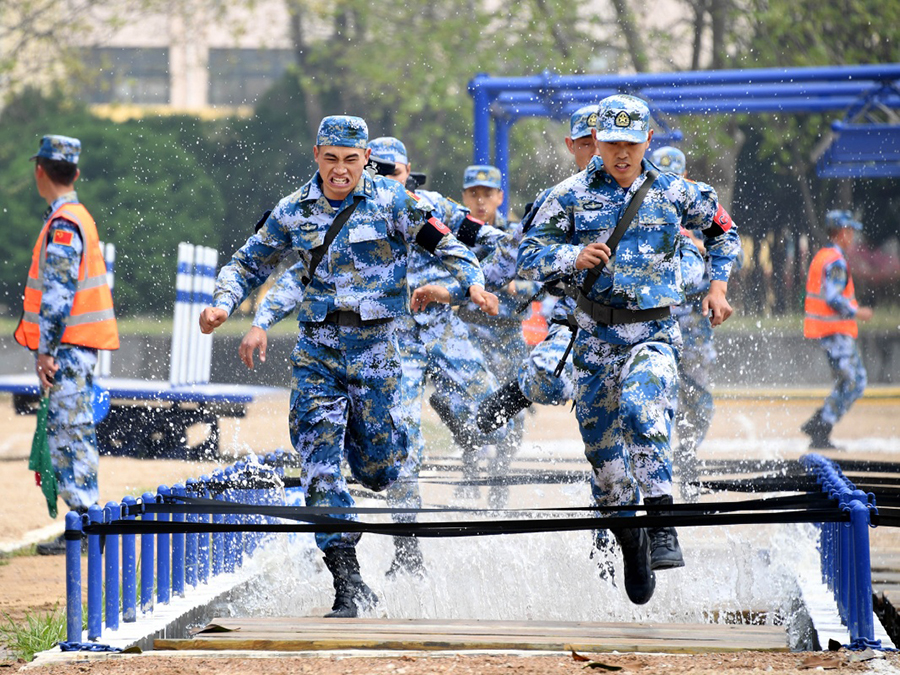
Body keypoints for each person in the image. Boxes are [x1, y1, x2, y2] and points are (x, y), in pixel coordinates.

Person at [200, 116, 497, 618]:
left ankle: (379, 465)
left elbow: (449, 243)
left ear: (364, 159)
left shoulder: (395, 202)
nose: (340, 170)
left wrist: (471, 283)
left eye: (350, 159)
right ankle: (347, 578)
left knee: (380, 469)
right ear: (317, 155)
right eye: (331, 159)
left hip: (377, 349)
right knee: (318, 461)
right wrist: (225, 304)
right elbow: (249, 263)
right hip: (317, 350)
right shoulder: (294, 210)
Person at [518, 95, 742, 605]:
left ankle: (662, 521)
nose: (622, 154)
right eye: (612, 143)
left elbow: (724, 233)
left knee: (644, 407)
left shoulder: (675, 192)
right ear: (595, 141)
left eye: (632, 144)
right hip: (594, 342)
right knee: (607, 471)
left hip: (654, 334)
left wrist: (718, 287)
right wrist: (570, 255)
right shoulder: (568, 195)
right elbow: (527, 252)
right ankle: (632, 540)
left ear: (648, 142)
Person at [15, 135, 119, 555]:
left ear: (40, 171)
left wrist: (44, 349)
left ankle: (82, 526)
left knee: (69, 434)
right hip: (77, 347)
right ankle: (84, 522)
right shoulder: (77, 216)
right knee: (73, 432)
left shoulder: (63, 224)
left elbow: (57, 296)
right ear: (74, 173)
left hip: (67, 348)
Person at [650, 145, 736, 502]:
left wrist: (701, 249)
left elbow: (733, 247)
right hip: (657, 324)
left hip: (696, 329)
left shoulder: (699, 209)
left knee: (699, 403)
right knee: (656, 400)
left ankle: (687, 455)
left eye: (677, 176)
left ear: (686, 176)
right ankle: (658, 469)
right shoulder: (647, 211)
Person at [454, 164, 537, 506]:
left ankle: (499, 480)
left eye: (487, 193)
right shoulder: (456, 236)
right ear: (464, 197)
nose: (480, 200)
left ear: (500, 197)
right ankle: (471, 467)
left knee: (510, 410)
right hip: (470, 331)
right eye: (474, 193)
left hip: (507, 335)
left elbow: (543, 281)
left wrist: (521, 285)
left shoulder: (516, 236)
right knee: (466, 404)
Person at [801, 210, 873, 449]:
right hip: (836, 331)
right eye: (850, 231)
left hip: (828, 331)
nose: (852, 236)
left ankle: (820, 424)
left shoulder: (824, 255)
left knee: (849, 381)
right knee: (854, 381)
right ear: (841, 232)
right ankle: (821, 424)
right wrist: (857, 311)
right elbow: (833, 297)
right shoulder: (836, 260)